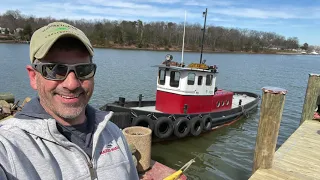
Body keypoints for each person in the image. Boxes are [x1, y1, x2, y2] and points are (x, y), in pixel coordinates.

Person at [0, 22, 139, 180]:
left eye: (83, 70)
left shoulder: (113, 134)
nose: (71, 84)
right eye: (55, 70)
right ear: (33, 77)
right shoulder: (8, 147)